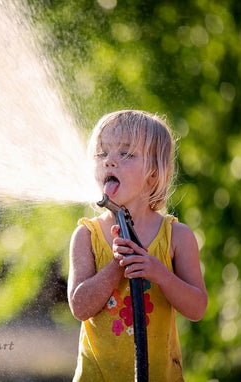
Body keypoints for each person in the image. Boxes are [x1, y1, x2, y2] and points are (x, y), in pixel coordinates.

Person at [68, 110, 208, 381]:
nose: (109, 161)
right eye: (102, 153)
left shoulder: (177, 237)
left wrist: (159, 273)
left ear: (153, 175)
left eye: (126, 154)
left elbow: (197, 308)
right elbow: (79, 307)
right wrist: (115, 266)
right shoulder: (86, 235)